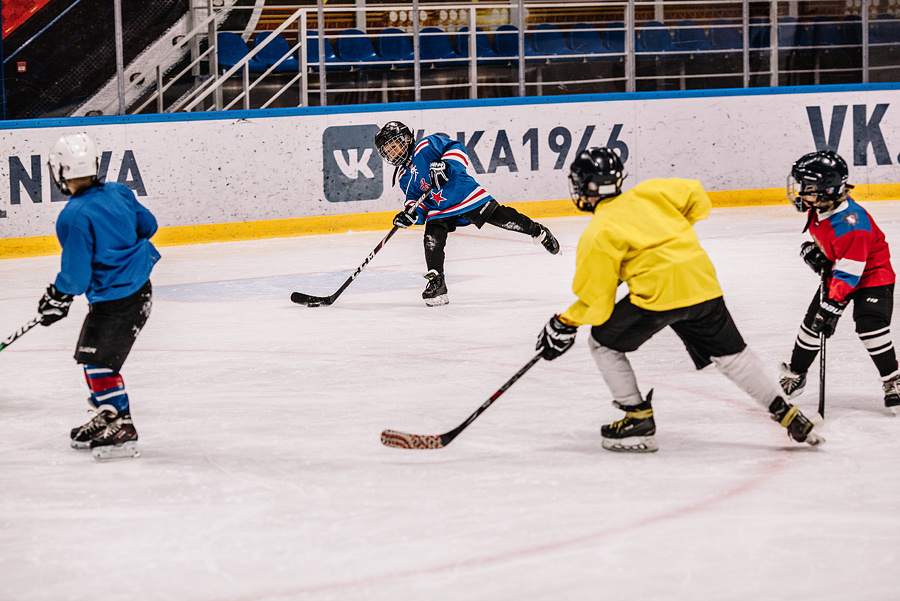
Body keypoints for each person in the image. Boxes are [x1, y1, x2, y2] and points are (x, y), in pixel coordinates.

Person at [534, 147, 824, 452]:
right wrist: (670, 235)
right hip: (701, 285)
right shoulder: (653, 192)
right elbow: (697, 196)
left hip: (658, 299)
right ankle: (788, 413)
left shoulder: (597, 233)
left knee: (602, 343)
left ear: (583, 186)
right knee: (734, 357)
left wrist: (564, 322)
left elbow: (596, 303)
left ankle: (638, 420)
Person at [39, 132, 160, 460]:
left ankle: (122, 424)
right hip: (137, 291)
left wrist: (57, 296)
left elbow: (76, 277)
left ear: (60, 171)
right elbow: (148, 225)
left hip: (117, 301)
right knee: (93, 359)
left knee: (97, 362)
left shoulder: (74, 215)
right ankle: (109, 413)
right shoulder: (120, 192)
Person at [374, 121, 560, 306]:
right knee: (432, 237)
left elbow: (457, 148)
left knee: (501, 217)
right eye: (387, 151)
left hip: (464, 194)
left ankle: (538, 231)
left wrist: (445, 165)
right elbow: (416, 203)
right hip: (439, 209)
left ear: (406, 139)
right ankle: (436, 282)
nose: (392, 153)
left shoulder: (426, 146)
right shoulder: (402, 177)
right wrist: (410, 215)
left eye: (393, 146)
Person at [779, 150, 899, 414]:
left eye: (807, 188)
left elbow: (851, 272)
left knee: (870, 325)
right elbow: (834, 248)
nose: (800, 193)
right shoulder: (821, 206)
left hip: (871, 275)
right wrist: (815, 251)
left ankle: (893, 379)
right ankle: (797, 373)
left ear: (828, 191)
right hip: (842, 270)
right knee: (812, 325)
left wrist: (831, 305)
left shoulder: (853, 225)